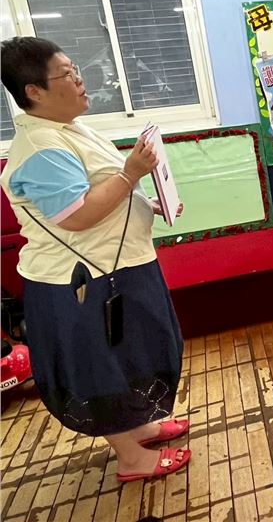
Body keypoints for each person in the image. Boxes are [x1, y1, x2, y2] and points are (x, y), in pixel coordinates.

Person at [0, 37, 190, 483]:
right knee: (100, 368)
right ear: (34, 91)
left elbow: (100, 192)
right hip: (81, 284)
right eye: (67, 74)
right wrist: (132, 172)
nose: (81, 80)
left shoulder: (67, 129)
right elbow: (78, 215)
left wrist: (148, 203)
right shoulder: (43, 147)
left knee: (130, 357)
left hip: (116, 268)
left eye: (76, 70)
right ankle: (131, 458)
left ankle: (140, 426)